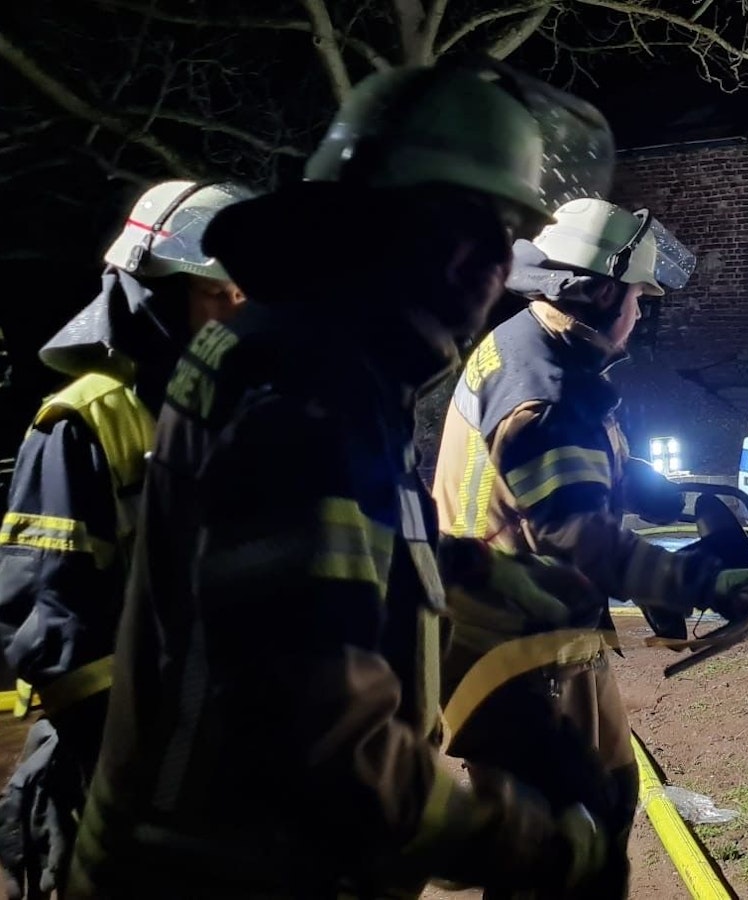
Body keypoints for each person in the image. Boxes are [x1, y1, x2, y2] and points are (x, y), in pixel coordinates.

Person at [66, 60, 619, 899]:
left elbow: (348, 550)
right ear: (401, 226)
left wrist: (491, 575)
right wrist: (535, 838)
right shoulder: (306, 389)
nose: (496, 267)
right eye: (482, 230)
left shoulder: (324, 357)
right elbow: (323, 740)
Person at [430, 198, 748, 897]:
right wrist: (704, 582)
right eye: (637, 297)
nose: (641, 313)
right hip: (515, 656)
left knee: (607, 798)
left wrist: (652, 490)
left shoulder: (529, 343)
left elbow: (563, 478)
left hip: (527, 635)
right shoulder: (547, 396)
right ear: (597, 293)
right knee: (560, 847)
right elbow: (581, 540)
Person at [0, 179, 256, 899]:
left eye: (245, 296)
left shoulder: (240, 412)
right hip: (122, 785)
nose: (236, 314)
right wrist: (151, 769)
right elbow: (54, 632)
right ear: (153, 293)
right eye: (215, 294)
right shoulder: (85, 422)